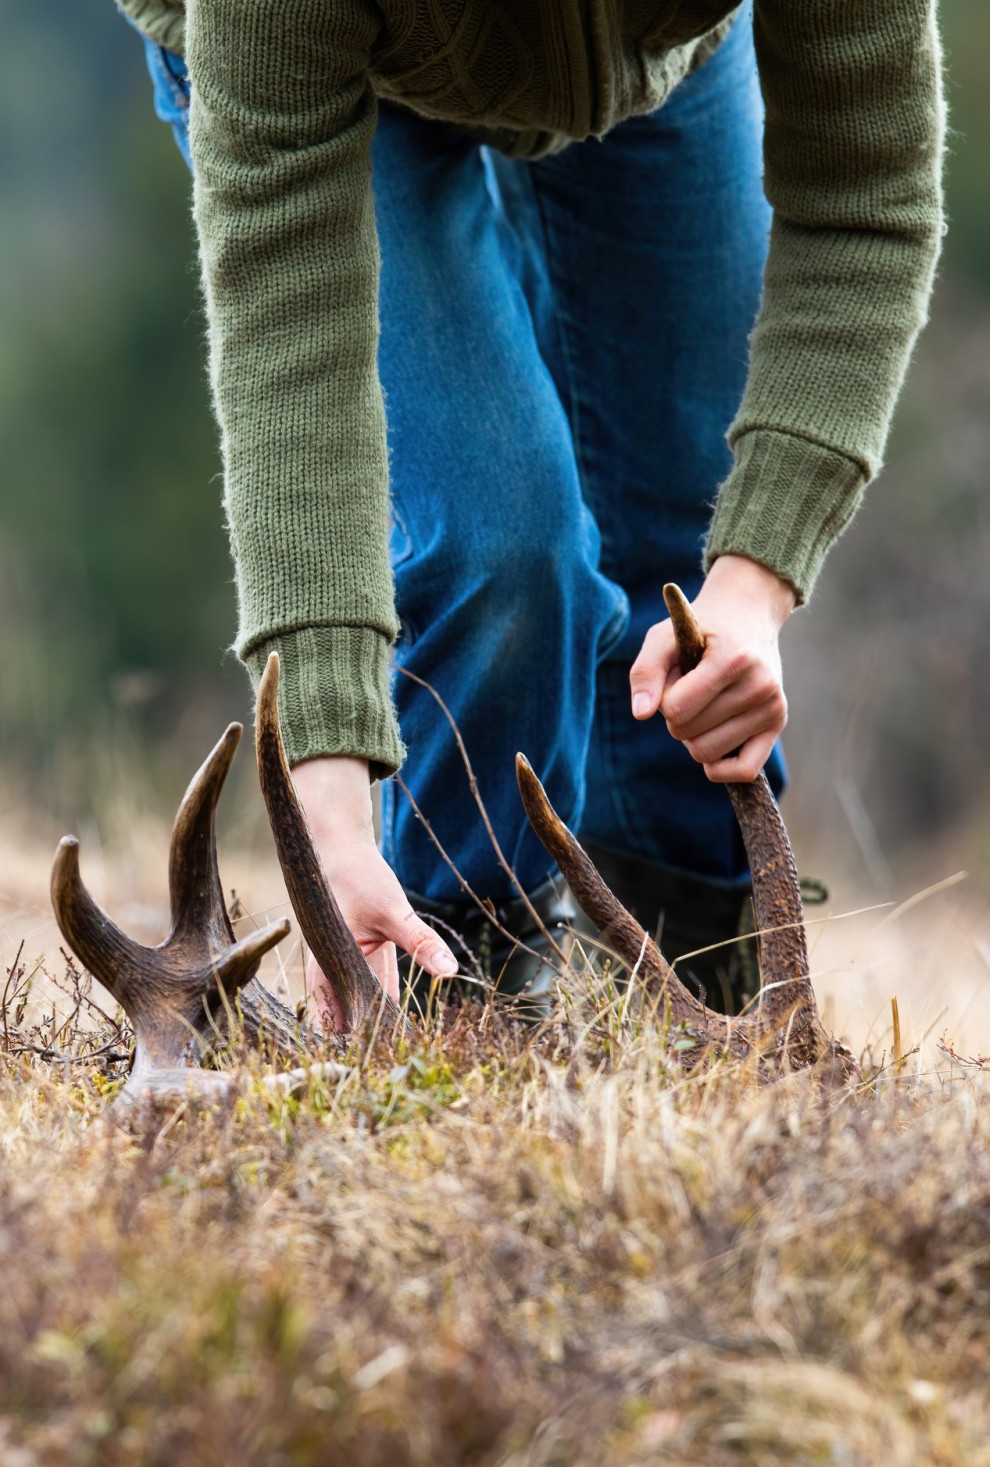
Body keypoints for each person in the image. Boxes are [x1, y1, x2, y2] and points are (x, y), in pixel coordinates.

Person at [118, 0, 943, 1019]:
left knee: (691, 531)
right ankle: (458, 999)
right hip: (317, 53)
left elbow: (866, 197)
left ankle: (692, 991)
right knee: (500, 547)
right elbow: (296, 325)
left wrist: (753, 583)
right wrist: (325, 814)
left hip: (646, 58)